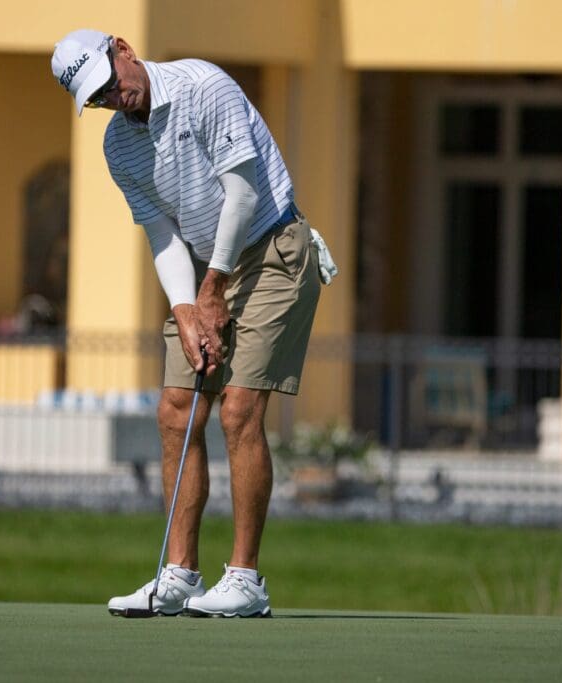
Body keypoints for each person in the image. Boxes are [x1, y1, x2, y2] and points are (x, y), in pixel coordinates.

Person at [50, 29, 335, 618]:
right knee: (176, 409)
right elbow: (162, 235)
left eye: (110, 83)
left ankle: (246, 581)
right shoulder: (118, 147)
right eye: (97, 98)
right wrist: (185, 310)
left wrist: (211, 290)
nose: (112, 98)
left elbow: (242, 195)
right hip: (208, 272)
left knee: (238, 409)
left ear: (123, 49)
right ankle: (178, 575)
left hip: (273, 252)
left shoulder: (204, 85)